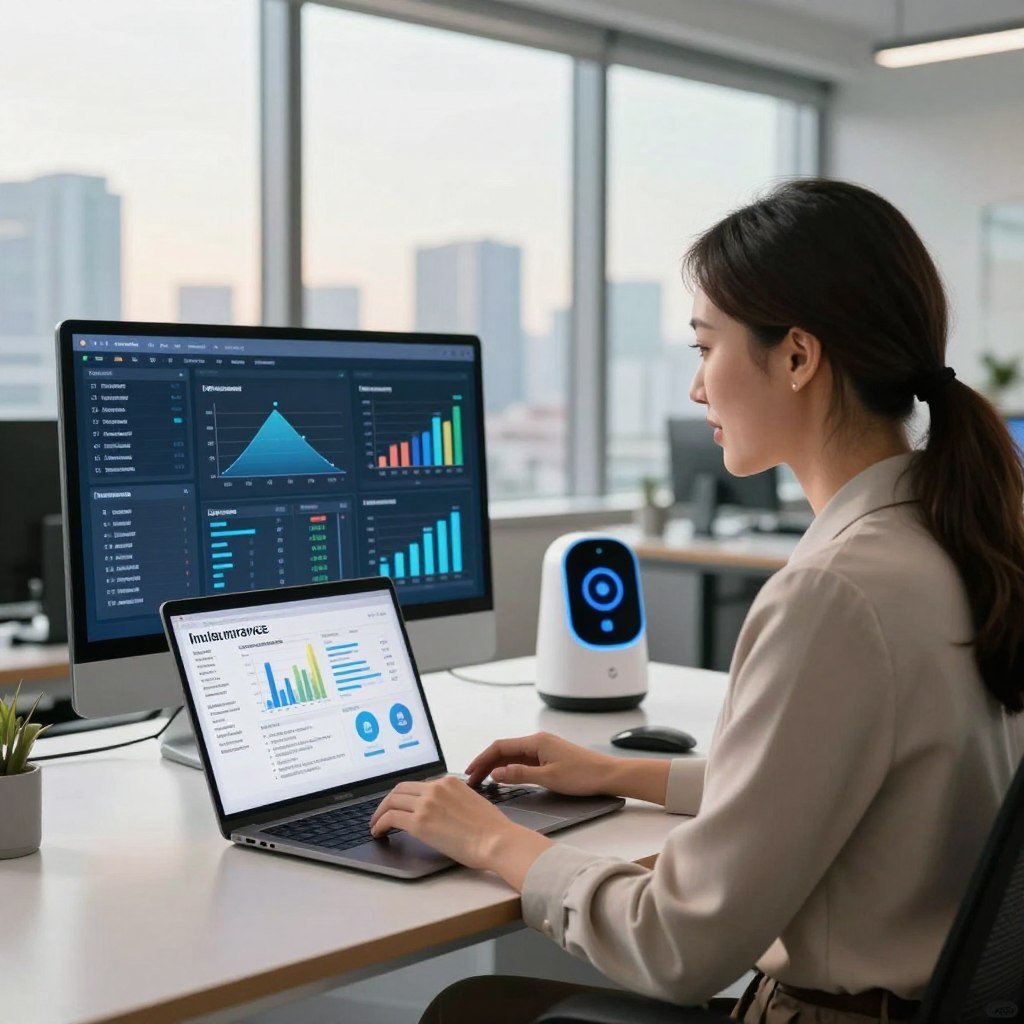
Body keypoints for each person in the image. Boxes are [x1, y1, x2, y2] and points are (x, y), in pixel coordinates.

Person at [369, 179, 1024, 1024]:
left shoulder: (834, 594)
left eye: (706, 348)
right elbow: (833, 784)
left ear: (798, 357)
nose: (696, 387)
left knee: (472, 1011)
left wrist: (491, 838)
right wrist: (621, 773)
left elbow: (676, 944)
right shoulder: (958, 540)